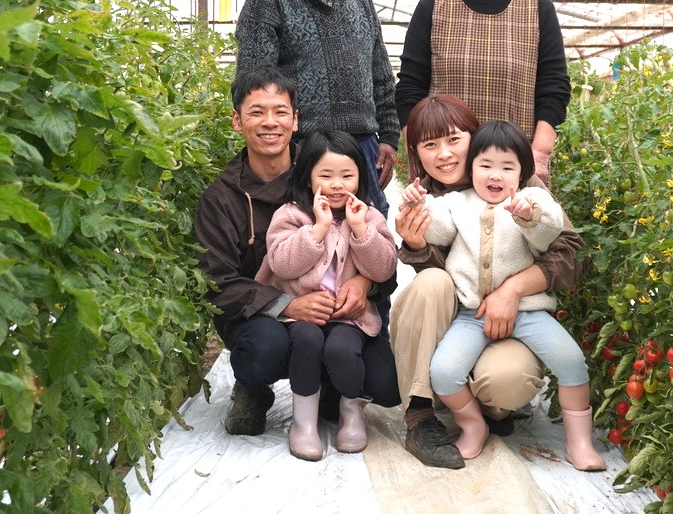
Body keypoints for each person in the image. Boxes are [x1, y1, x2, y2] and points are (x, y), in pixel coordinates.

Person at [193, 66, 400, 439]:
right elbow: (217, 283)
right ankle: (253, 388)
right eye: (256, 112)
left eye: (280, 111)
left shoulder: (329, 170)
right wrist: (285, 304)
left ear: (296, 119)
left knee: (383, 381)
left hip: (338, 316)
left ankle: (330, 385)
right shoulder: (221, 199)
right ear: (237, 121)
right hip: (265, 320)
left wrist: (365, 283)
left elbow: (382, 250)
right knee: (263, 349)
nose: (270, 122)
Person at [390, 94, 584, 470]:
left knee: (507, 382)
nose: (444, 154)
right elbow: (441, 271)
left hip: (515, 318)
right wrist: (415, 242)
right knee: (432, 282)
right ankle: (419, 414)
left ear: (473, 137)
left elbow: (571, 254)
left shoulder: (519, 185)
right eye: (430, 145)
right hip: (461, 320)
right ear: (415, 151)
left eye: (454, 139)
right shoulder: (429, 198)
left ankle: (489, 409)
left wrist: (511, 290)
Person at [235, 0, 399, 219]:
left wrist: (389, 139)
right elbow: (254, 86)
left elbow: (380, 72)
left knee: (370, 239)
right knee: (309, 242)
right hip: (303, 150)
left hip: (362, 146)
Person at [395, 0, 570, 184]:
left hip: (513, 168)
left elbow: (554, 88)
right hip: (446, 170)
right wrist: (422, 154)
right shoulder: (432, 7)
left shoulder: (537, 8)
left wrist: (538, 154)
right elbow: (410, 90)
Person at [255, 131, 397, 461]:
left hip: (348, 317)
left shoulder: (369, 215)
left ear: (361, 176)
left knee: (343, 349)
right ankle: (304, 423)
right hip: (302, 315)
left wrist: (360, 230)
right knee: (305, 341)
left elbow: (383, 269)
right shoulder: (291, 215)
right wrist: (317, 229)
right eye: (326, 175)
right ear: (307, 177)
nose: (337, 184)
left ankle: (351, 411)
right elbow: (282, 264)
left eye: (347, 175)